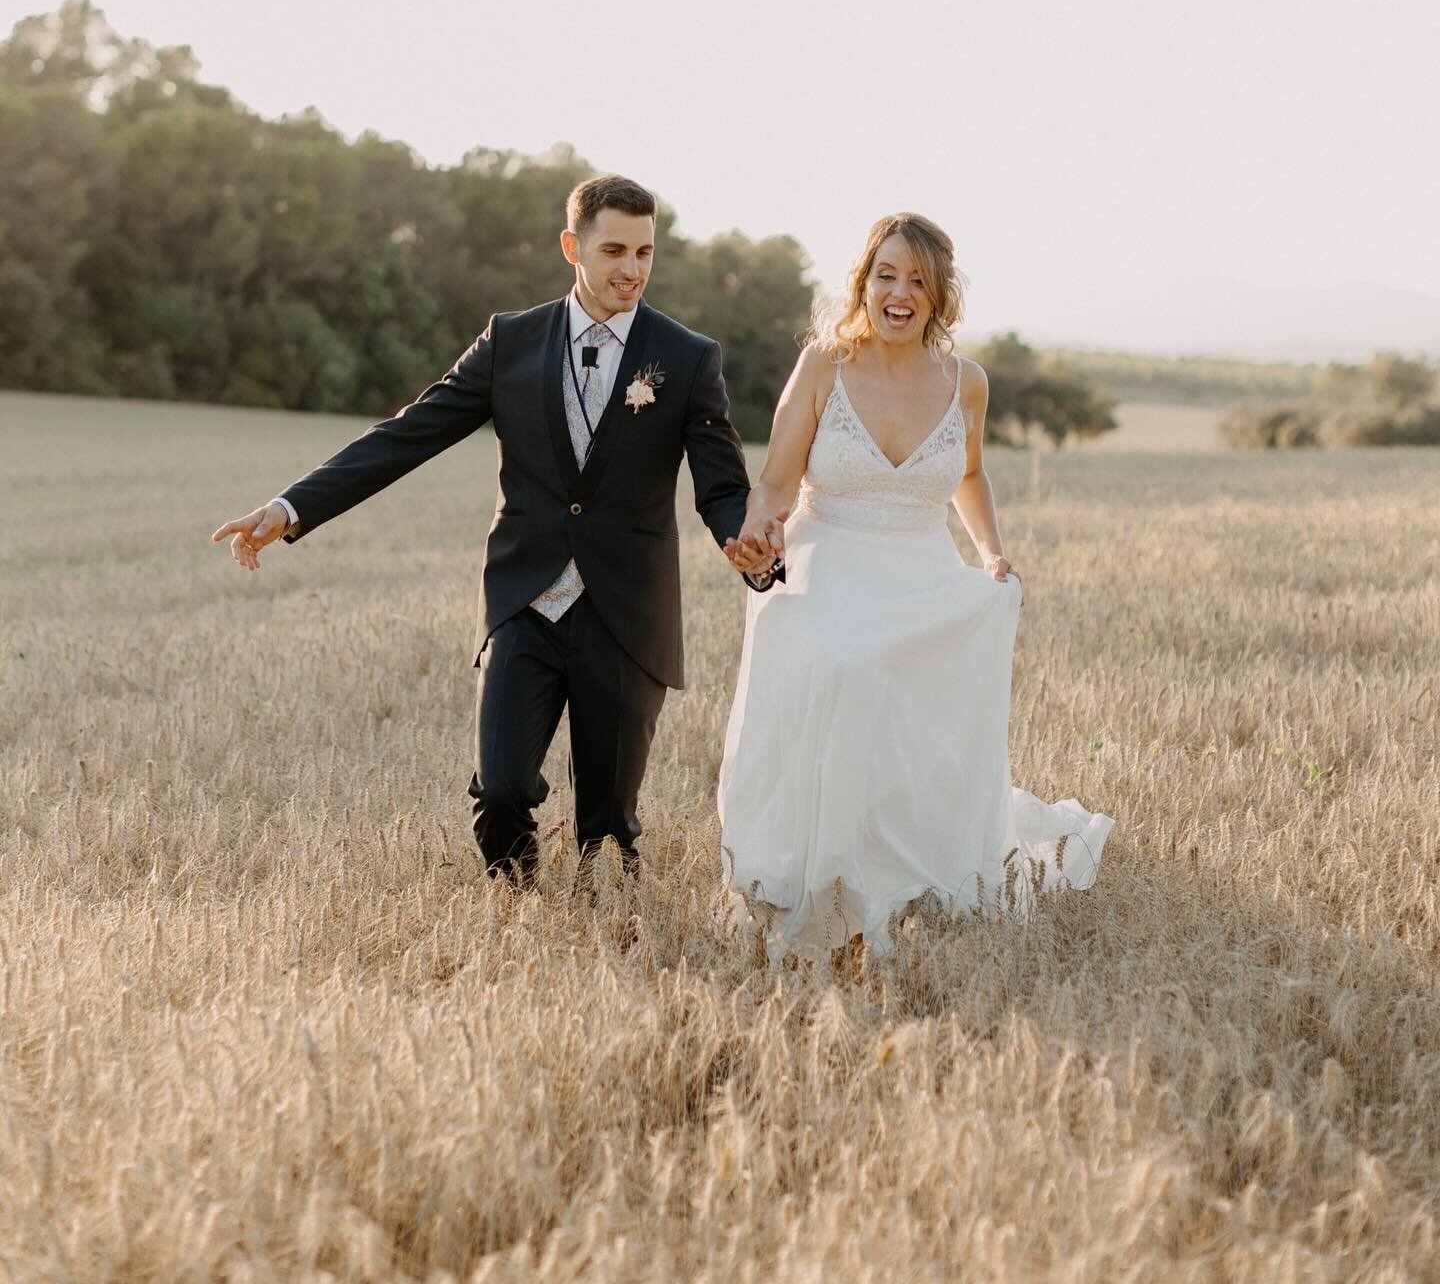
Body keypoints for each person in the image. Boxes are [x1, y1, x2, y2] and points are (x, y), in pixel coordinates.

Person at [211, 173, 778, 887]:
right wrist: (291, 509)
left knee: (606, 826)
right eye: (613, 251)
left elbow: (722, 486)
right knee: (502, 791)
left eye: (645, 252)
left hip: (627, 612)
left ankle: (610, 939)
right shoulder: (511, 341)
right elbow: (406, 435)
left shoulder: (689, 357)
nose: (631, 270)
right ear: (572, 246)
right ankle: (519, 914)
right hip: (525, 601)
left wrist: (744, 541)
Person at [716, 211, 1114, 966]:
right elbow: (773, 483)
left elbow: (967, 474)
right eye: (886, 275)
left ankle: (900, 868)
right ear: (863, 282)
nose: (900, 293)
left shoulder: (966, 383)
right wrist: (760, 530)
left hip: (921, 568)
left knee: (909, 719)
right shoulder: (823, 367)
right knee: (847, 666)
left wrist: (992, 555)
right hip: (829, 557)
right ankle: (824, 880)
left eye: (918, 281)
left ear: (939, 296)